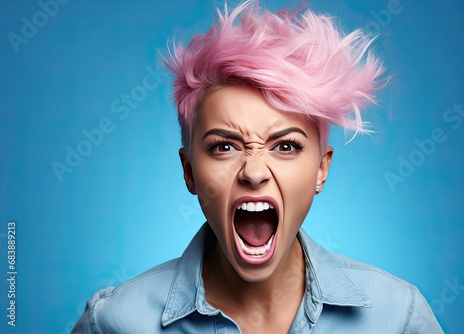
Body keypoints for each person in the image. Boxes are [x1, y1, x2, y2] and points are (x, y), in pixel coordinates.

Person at [72, 1, 444, 333]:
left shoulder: (398, 318)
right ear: (189, 172)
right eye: (224, 146)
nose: (253, 171)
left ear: (321, 169)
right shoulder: (115, 322)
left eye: (285, 146)